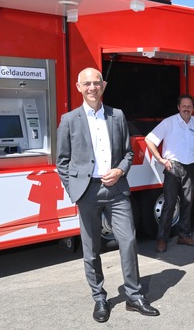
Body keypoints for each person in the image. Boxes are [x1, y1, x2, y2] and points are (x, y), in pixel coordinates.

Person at [56, 68, 159, 323]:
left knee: (129, 241)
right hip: (87, 191)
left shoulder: (117, 116)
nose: (92, 88)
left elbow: (127, 153)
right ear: (79, 87)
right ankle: (99, 298)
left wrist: (119, 170)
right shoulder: (69, 120)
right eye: (87, 84)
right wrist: (76, 192)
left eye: (96, 83)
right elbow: (62, 162)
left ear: (104, 85)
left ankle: (134, 297)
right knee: (91, 249)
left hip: (116, 190)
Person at [145, 94, 194, 253]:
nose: (187, 108)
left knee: (188, 203)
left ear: (193, 108)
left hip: (191, 167)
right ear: (178, 107)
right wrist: (160, 159)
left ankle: (184, 235)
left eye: (189, 106)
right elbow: (149, 140)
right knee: (169, 204)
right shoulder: (169, 123)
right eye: (184, 106)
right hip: (173, 167)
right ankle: (162, 239)